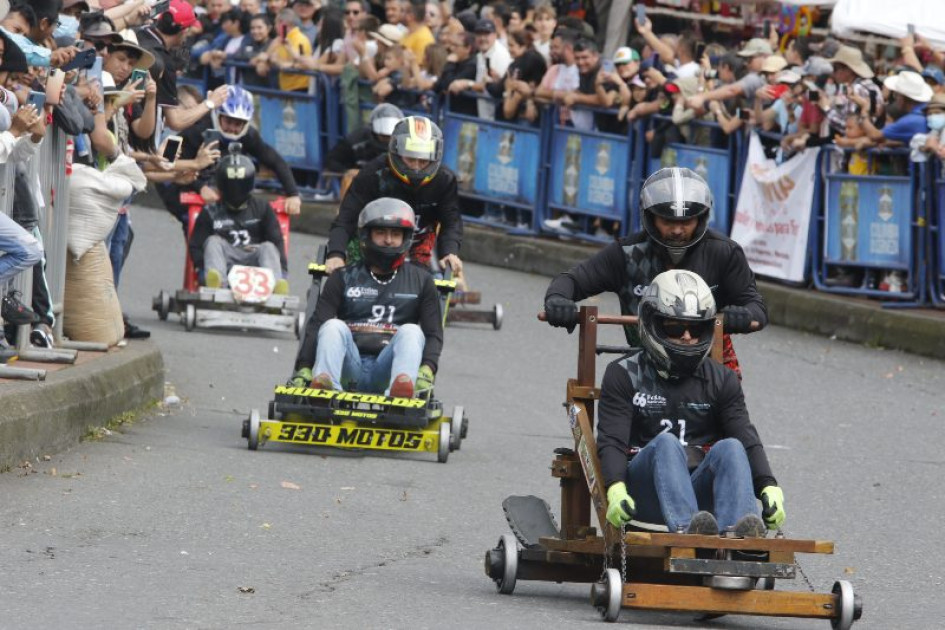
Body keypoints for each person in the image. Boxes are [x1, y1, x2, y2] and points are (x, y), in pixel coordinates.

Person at [597, 269, 786, 536]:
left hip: (701, 508)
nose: (687, 336)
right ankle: (687, 532)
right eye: (674, 327)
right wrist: (615, 486)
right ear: (652, 323)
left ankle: (741, 539)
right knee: (666, 442)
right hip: (643, 496)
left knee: (731, 447)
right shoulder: (623, 374)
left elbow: (745, 435)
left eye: (695, 328)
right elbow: (612, 440)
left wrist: (768, 485)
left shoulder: (721, 379)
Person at [543, 167, 767, 377]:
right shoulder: (627, 254)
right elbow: (572, 280)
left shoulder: (724, 253)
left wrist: (743, 315)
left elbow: (756, 307)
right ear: (650, 217)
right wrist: (557, 299)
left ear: (701, 217)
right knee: (614, 389)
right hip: (644, 370)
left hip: (706, 368)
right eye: (668, 220)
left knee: (732, 414)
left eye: (687, 221)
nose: (678, 230)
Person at [291, 198, 443, 399]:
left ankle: (401, 394)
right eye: (381, 233)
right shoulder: (343, 277)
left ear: (405, 238)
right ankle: (325, 387)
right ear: (366, 235)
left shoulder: (422, 280)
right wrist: (304, 367)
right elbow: (316, 324)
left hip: (388, 369)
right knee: (332, 326)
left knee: (412, 331)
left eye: (395, 234)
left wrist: (427, 369)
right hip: (349, 366)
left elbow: (433, 334)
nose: (388, 240)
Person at [325, 115, 463, 275]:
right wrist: (336, 253)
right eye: (410, 159)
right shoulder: (373, 174)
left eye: (423, 161)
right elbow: (346, 218)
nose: (416, 167)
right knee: (350, 281)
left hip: (418, 245)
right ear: (396, 152)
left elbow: (451, 222)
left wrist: (449, 252)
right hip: (372, 244)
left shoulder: (445, 180)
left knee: (429, 289)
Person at [159, 84, 302, 231]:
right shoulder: (198, 127)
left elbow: (275, 161)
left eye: (238, 123)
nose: (233, 128)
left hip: (213, 182)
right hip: (177, 184)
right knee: (199, 228)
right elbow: (164, 161)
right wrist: (200, 187)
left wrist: (293, 194)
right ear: (218, 114)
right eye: (228, 121)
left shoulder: (248, 135)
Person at [188, 145, 288, 294]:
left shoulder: (262, 208)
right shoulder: (210, 211)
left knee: (268, 247)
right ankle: (217, 285)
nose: (236, 189)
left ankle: (274, 285)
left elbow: (276, 241)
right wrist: (201, 268)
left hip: (254, 261)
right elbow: (195, 245)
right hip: (224, 262)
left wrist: (283, 269)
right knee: (213, 242)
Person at [323, 102, 403, 174]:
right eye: (383, 136)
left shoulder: (406, 144)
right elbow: (331, 160)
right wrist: (348, 172)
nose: (387, 139)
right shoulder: (356, 140)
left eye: (390, 136)